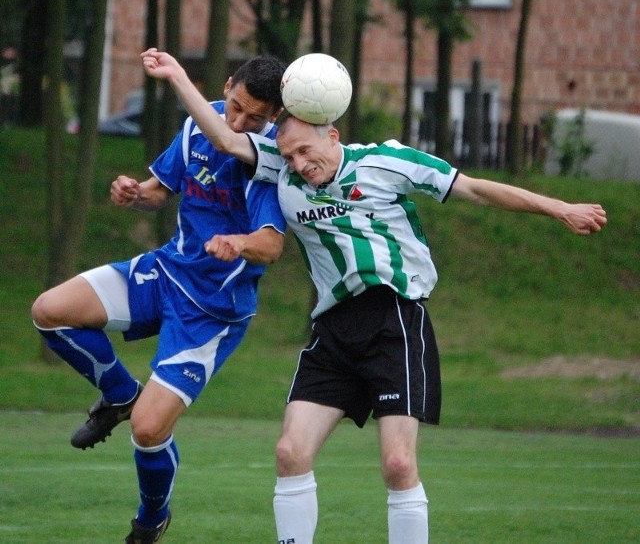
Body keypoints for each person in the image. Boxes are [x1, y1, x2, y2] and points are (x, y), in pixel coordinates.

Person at [140, 48, 608, 544]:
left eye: (306, 151)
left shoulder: (386, 162)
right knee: (289, 453)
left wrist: (560, 208)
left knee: (398, 462)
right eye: (290, 156)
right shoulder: (280, 168)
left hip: (394, 322)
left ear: (333, 133)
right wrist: (176, 76)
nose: (300, 164)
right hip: (333, 330)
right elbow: (220, 135)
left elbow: (476, 190)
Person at [31, 54, 287, 543]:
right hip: (166, 271)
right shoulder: (197, 126)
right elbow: (158, 191)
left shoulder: (270, 156)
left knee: (148, 430)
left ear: (272, 117)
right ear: (227, 85)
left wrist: (241, 243)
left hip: (212, 311)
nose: (238, 122)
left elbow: (272, 244)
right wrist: (132, 191)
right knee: (50, 311)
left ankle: (151, 519)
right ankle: (120, 394)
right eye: (234, 107)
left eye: (253, 117)